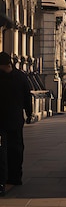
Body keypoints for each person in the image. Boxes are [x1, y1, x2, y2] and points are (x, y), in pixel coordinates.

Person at [0, 52, 34, 194]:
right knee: (4, 150)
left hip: (13, 120)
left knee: (15, 149)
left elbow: (27, 97)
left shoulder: (20, 77)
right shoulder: (21, 77)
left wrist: (29, 113)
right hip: (4, 120)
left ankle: (14, 176)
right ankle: (7, 177)